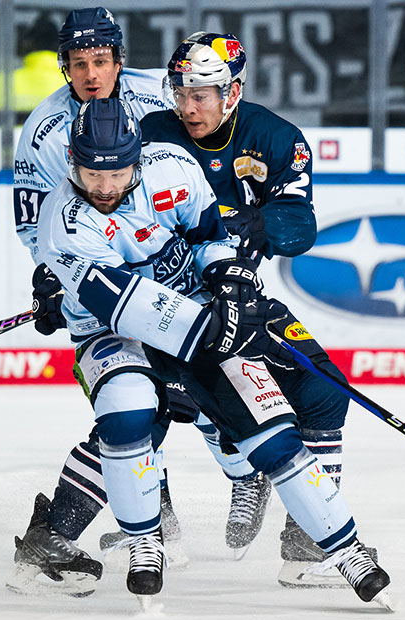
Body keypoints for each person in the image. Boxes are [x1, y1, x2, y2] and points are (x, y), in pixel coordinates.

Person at [34, 96, 391, 609]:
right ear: (73, 159)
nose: (106, 188)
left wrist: (230, 279)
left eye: (118, 172)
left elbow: (210, 239)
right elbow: (130, 311)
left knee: (272, 433)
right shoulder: (63, 223)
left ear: (138, 155)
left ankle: (343, 549)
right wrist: (225, 334)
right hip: (115, 331)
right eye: (92, 173)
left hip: (198, 312)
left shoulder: (174, 168)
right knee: (129, 410)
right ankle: (143, 543)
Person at [140, 32, 373, 588]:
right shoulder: (151, 135)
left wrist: (259, 223)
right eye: (181, 91)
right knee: (166, 409)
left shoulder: (276, 138)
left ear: (234, 90)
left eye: (204, 93)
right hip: (158, 307)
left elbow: (300, 225)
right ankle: (153, 528)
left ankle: (306, 544)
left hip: (238, 303)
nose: (189, 106)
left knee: (324, 389)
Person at [6, 7, 181, 598]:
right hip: (105, 294)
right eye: (77, 63)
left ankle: (152, 498)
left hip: (176, 285)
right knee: (137, 409)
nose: (89, 74)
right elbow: (37, 227)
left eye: (99, 61)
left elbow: (208, 137)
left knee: (172, 404)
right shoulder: (44, 132)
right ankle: (65, 528)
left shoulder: (160, 93)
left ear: (118, 59)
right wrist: (56, 274)